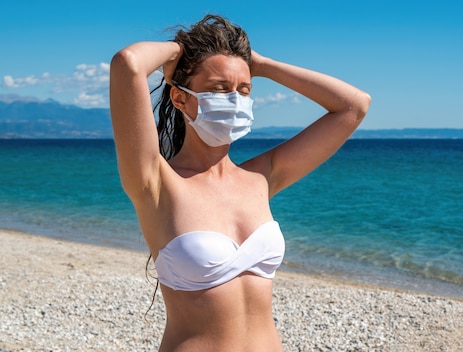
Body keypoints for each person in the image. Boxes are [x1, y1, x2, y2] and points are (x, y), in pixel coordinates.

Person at [109, 13, 370, 351]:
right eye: (219, 88)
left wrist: (259, 63)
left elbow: (353, 106)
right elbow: (128, 63)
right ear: (180, 98)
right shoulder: (156, 182)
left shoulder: (261, 177)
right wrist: (179, 51)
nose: (234, 100)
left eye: (243, 90)